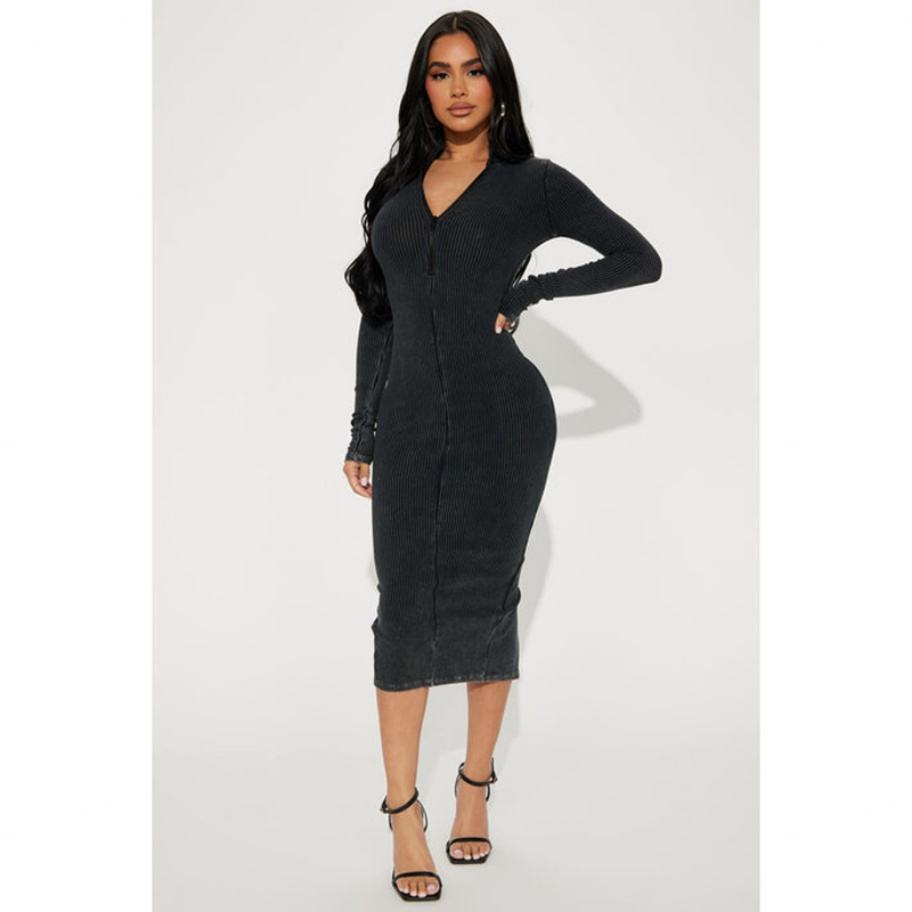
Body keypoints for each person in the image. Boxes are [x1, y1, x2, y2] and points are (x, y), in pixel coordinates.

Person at [341, 11, 662, 902]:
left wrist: (530, 289)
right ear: (422, 86)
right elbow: (379, 316)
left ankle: (474, 786)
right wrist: (364, 430)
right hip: (409, 424)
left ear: (498, 82)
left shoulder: (534, 184)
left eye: (473, 70)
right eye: (440, 71)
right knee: (403, 608)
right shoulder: (396, 189)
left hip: (505, 425)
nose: (457, 87)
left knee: (489, 600)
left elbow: (639, 258)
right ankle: (403, 813)